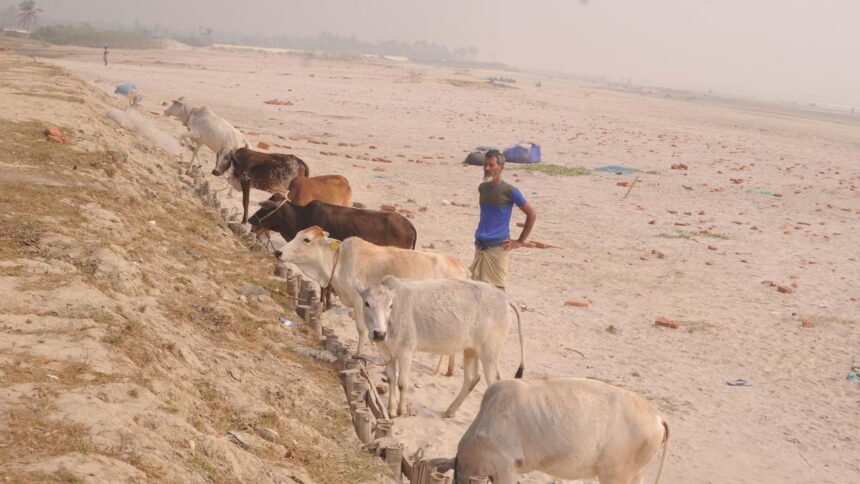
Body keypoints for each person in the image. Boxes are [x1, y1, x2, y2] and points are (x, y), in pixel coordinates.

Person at [469, 149, 537, 290]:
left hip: (497, 249)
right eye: (485, 165)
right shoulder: (482, 188)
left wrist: (519, 241)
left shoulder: (510, 190)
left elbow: (531, 214)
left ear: (501, 167)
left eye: (491, 165)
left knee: (498, 291)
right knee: (476, 290)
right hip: (480, 247)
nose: (487, 168)